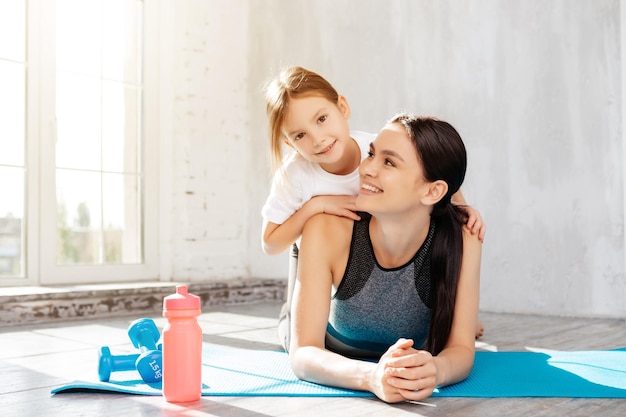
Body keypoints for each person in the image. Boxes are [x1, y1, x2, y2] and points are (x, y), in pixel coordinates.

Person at [285, 114, 482, 403]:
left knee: (462, 322)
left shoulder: (463, 236)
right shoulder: (326, 227)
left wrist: (436, 370)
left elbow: (461, 351)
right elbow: (303, 354)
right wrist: (371, 377)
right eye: (371, 154)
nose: (366, 169)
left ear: (432, 191)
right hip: (332, 339)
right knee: (296, 310)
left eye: (388, 162)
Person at [261, 66, 485, 257]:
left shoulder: (376, 148)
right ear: (290, 144)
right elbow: (270, 243)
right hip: (323, 266)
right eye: (300, 135)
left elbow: (431, 172)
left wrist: (461, 206)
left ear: (342, 108)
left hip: (378, 258)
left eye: (321, 119)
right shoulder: (295, 175)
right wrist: (316, 206)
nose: (318, 139)